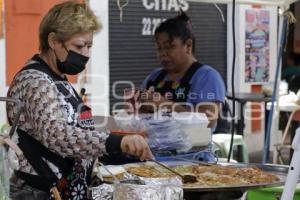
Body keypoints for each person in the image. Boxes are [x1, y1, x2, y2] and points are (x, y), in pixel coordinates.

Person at [6, 1, 153, 200]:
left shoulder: (57, 78)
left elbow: (79, 128)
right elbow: (57, 135)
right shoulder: (34, 81)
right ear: (53, 41)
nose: (85, 54)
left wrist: (119, 146)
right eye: (79, 46)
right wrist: (116, 142)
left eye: (89, 46)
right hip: (40, 191)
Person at [140, 12, 226, 128]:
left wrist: (165, 105)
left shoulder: (207, 77)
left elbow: (208, 121)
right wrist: (137, 107)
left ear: (188, 46)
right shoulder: (154, 77)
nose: (163, 54)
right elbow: (140, 115)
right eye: (159, 48)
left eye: (169, 47)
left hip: (193, 146)